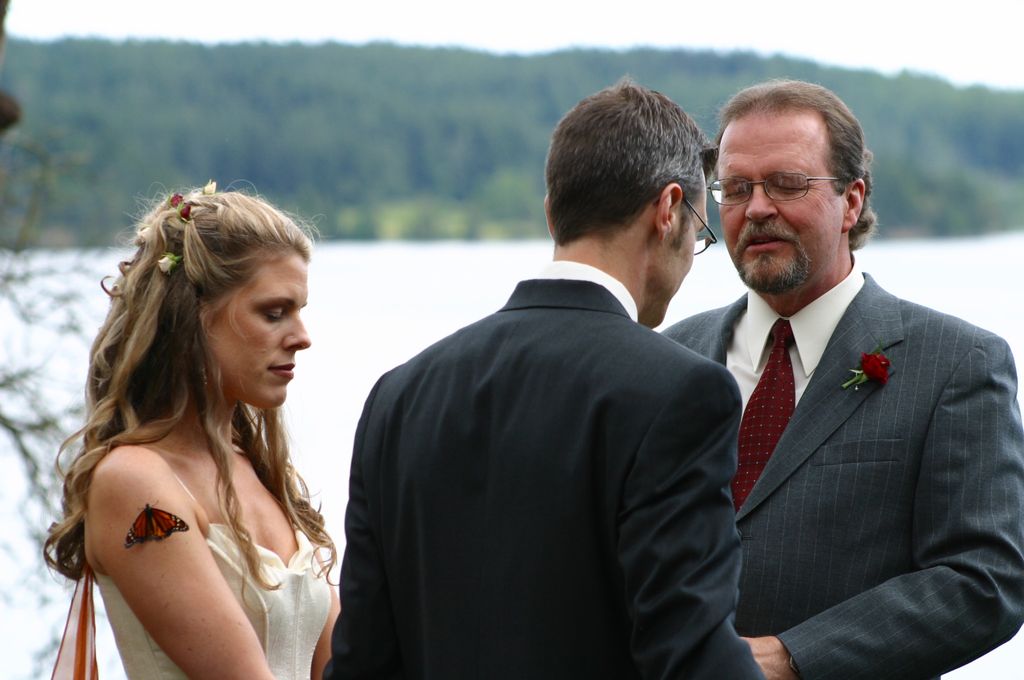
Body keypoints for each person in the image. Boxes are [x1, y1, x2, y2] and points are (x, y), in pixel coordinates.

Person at [325, 79, 762, 679]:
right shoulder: (680, 391)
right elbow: (690, 651)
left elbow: (362, 661)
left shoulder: (399, 395)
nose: (693, 255)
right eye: (700, 233)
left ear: (553, 212)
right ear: (668, 211)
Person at [664, 79, 1024, 679]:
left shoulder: (956, 364)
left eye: (786, 184)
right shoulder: (672, 359)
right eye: (736, 188)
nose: (756, 209)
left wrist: (791, 660)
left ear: (852, 201)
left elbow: (985, 580)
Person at [44, 185, 340, 680]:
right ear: (195, 318)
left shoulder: (261, 470)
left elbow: (346, 661)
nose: (302, 336)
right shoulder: (136, 483)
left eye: (300, 310)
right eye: (274, 312)